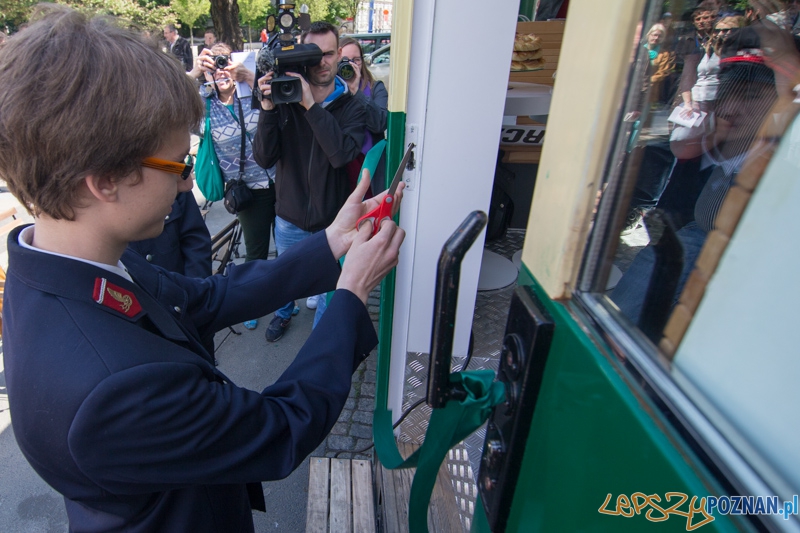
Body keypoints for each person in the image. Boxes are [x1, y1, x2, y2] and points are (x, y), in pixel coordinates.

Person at [0, 6, 405, 532]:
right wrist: (350, 295)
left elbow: (205, 298)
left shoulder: (70, 260)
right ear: (104, 180)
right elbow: (278, 429)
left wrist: (330, 244)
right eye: (177, 164)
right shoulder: (112, 390)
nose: (187, 181)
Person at [612, 26, 781, 328]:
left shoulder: (786, 152)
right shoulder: (720, 141)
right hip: (694, 236)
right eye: (728, 93)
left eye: (753, 95)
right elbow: (681, 147)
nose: (731, 108)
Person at [253, 21, 367, 341]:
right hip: (289, 218)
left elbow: (341, 155)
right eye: (313, 55)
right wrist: (267, 108)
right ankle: (283, 313)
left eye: (328, 54)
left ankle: (317, 346)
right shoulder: (284, 98)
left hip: (332, 222)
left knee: (329, 294)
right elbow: (263, 158)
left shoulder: (352, 106)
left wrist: (311, 106)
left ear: (339, 54)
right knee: (285, 281)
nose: (321, 62)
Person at [189, 43, 280, 330]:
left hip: (282, 181)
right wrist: (193, 74)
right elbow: (169, 108)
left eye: (225, 63)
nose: (221, 71)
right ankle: (252, 303)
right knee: (255, 254)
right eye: (214, 66)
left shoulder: (251, 91)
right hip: (248, 192)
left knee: (289, 246)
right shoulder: (204, 107)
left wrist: (250, 77)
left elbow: (281, 106)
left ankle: (286, 303)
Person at [339, 36, 389, 193]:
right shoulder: (330, 91)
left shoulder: (376, 88)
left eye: (356, 60)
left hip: (369, 165)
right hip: (342, 167)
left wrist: (356, 92)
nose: (351, 65)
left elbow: (379, 123)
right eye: (345, 60)